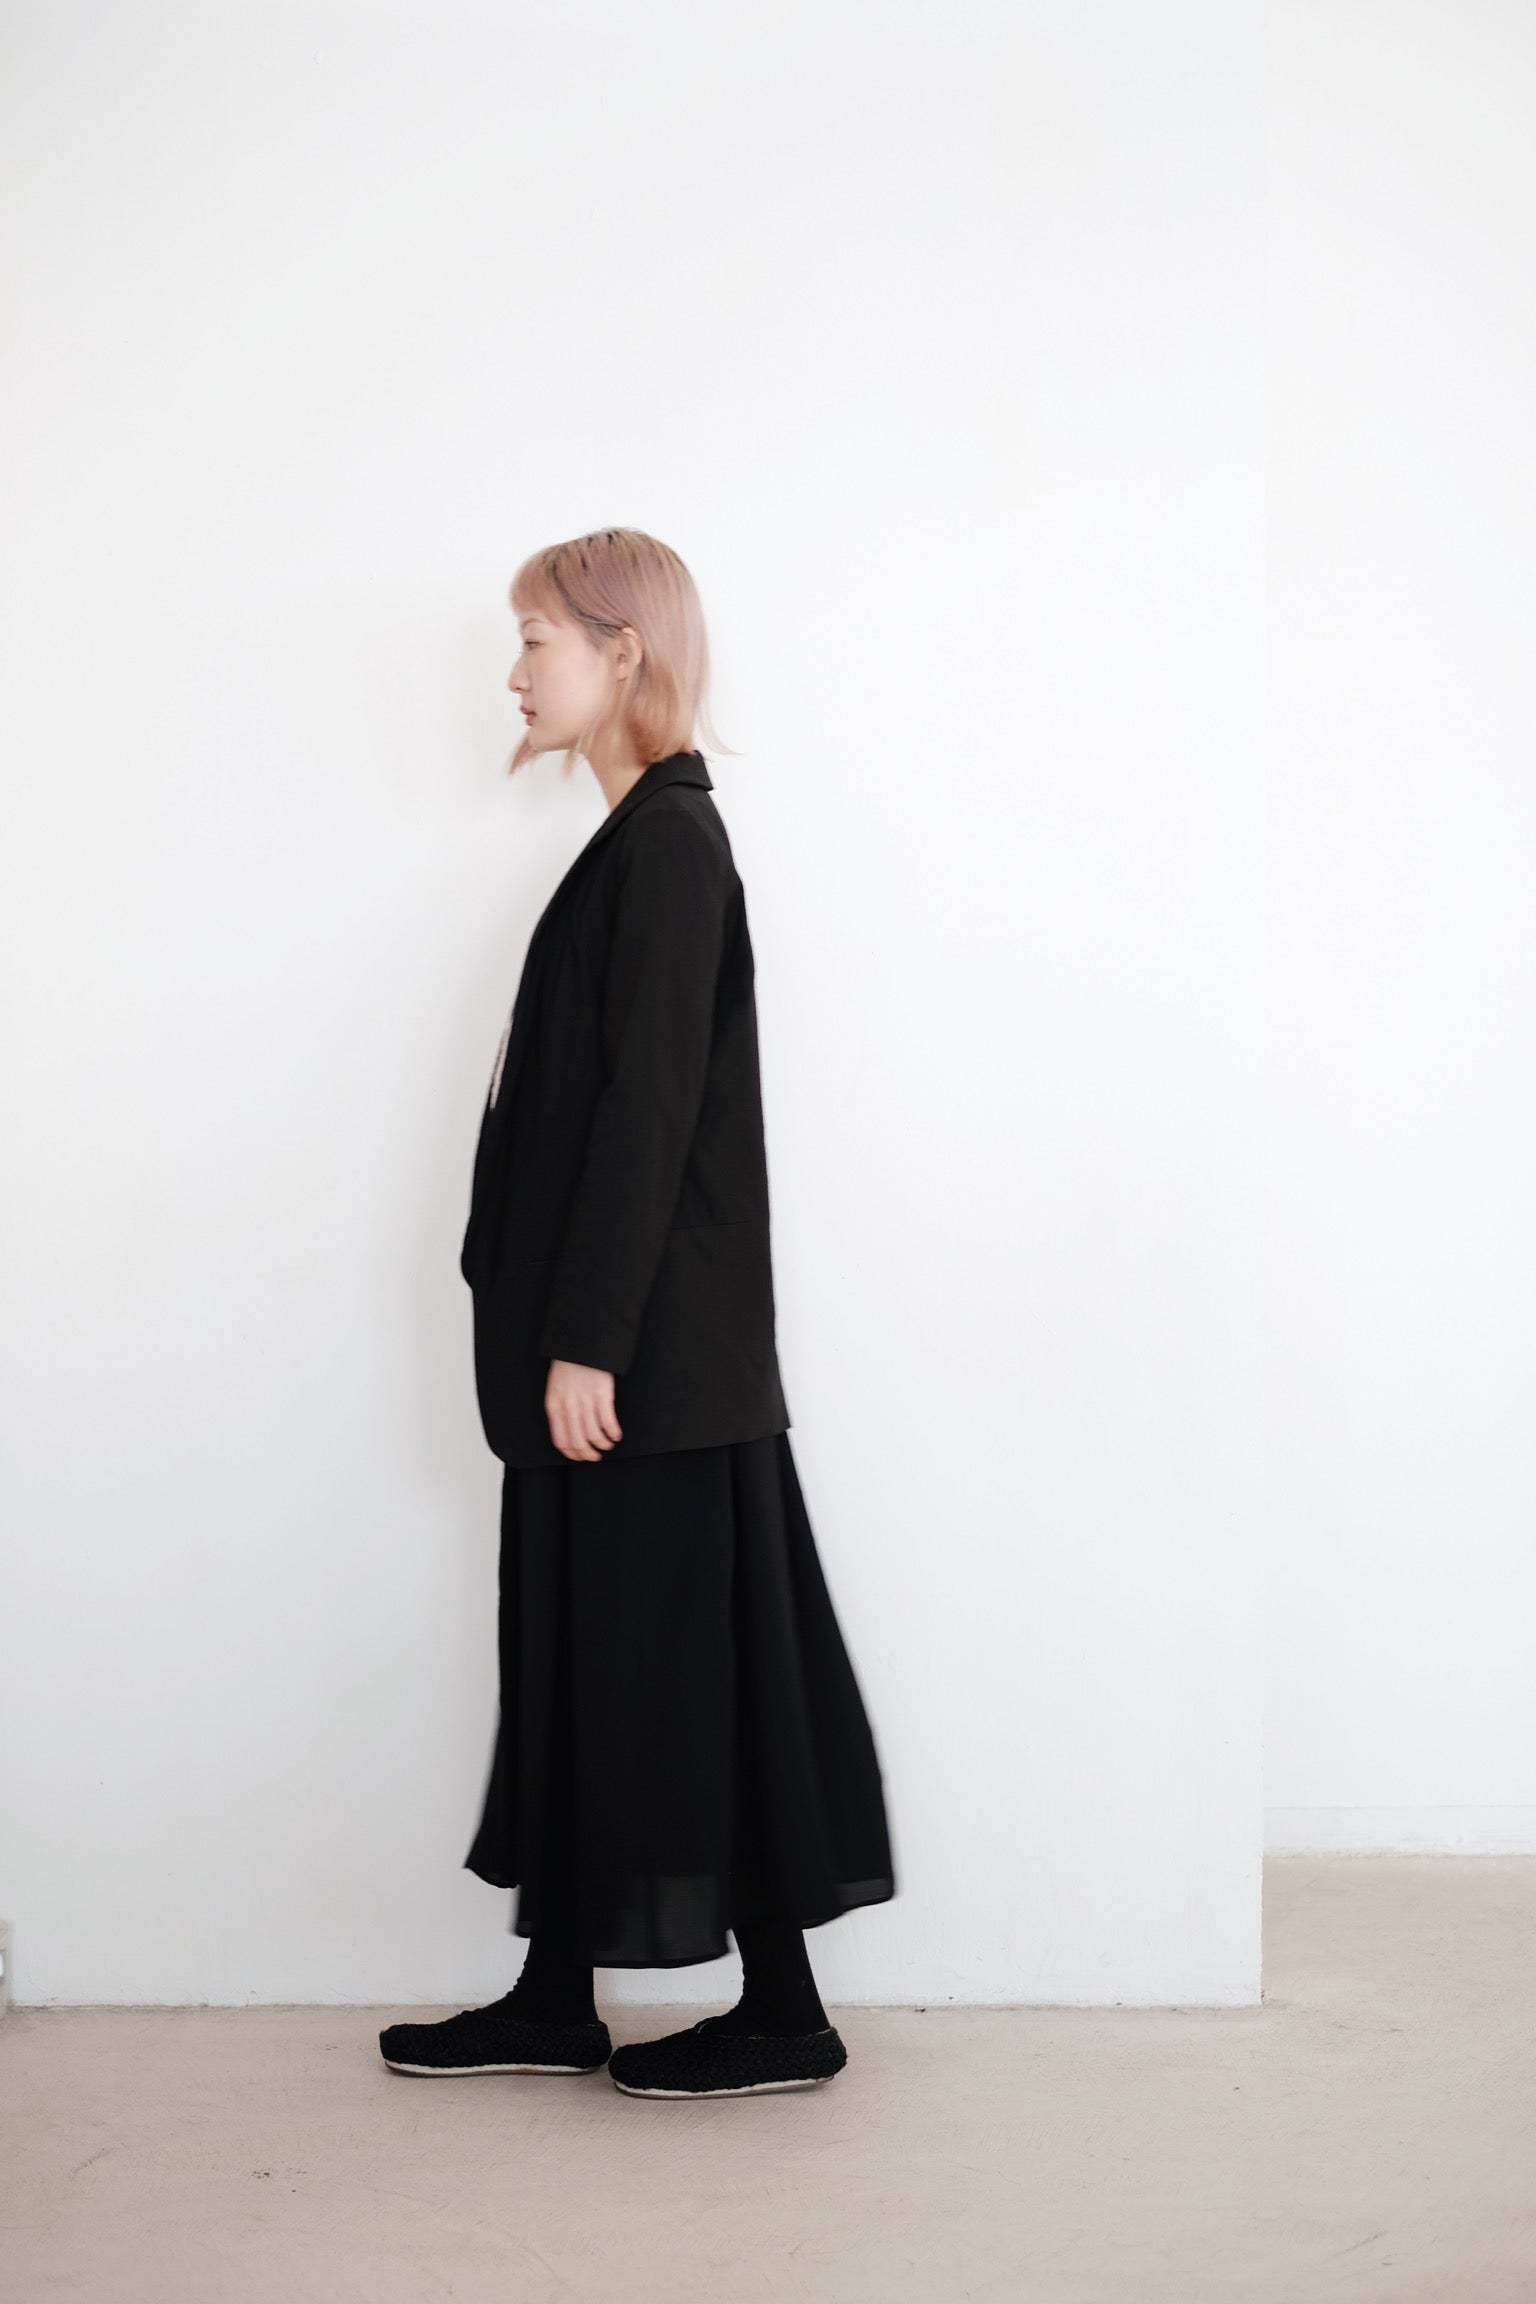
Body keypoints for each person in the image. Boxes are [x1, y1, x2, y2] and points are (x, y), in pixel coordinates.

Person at [379, 528, 895, 2101]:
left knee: (687, 1673)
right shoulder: (636, 842)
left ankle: (785, 2012)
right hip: (620, 1357)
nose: (514, 670)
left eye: (536, 637)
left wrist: (588, 1338)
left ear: (624, 651)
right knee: (589, 1660)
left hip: (645, 1365)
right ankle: (557, 1997)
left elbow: (650, 1111)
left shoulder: (670, 843)